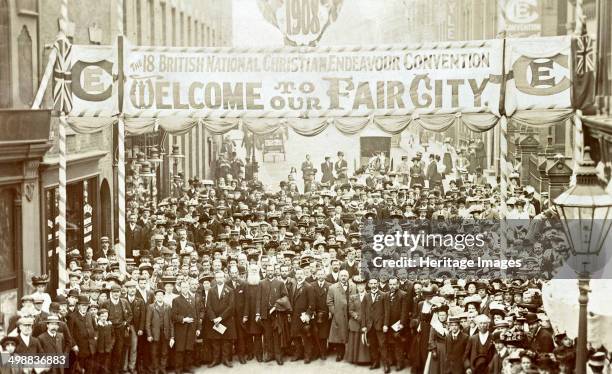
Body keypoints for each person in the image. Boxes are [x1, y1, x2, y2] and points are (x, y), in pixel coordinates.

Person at [260, 263, 290, 365]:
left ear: (274, 271)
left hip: (277, 313)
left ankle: (278, 355)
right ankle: (270, 354)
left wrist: (276, 305)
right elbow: (258, 299)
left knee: (277, 335)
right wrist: (257, 313)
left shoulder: (280, 283)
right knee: (267, 335)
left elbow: (285, 297)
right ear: (266, 271)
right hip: (265, 313)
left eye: (271, 270)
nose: (270, 272)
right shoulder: (261, 283)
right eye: (268, 270)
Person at [206, 270, 236, 368]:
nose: (219, 279)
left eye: (221, 277)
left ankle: (225, 359)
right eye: (217, 277)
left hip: (225, 319)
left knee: (226, 341)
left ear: (224, 278)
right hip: (215, 321)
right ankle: (216, 359)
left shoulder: (230, 290)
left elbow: (231, 306)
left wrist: (221, 317)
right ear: (215, 278)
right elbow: (208, 306)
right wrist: (214, 318)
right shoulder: (211, 290)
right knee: (215, 341)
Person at [100, 284, 132, 374]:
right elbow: (100, 314)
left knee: (119, 351)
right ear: (111, 293)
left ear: (120, 293)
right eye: (114, 292)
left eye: (117, 292)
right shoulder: (105, 303)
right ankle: (107, 371)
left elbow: (130, 314)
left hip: (120, 329)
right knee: (108, 350)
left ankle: (116, 371)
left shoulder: (124, 302)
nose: (116, 294)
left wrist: (126, 322)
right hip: (109, 330)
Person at [172, 279, 201, 374]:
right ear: (180, 288)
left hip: (192, 328)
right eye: (183, 287)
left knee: (189, 349)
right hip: (181, 328)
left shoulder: (193, 299)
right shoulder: (176, 300)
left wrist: (198, 328)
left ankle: (187, 367)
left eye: (186, 287)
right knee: (180, 349)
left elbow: (197, 315)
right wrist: (184, 319)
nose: (185, 289)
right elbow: (173, 315)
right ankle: (178, 369)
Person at [289, 268, 316, 364]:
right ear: (295, 276)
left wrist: (308, 315)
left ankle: (307, 355)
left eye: (301, 274)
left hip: (304, 317)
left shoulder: (308, 287)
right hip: (295, 316)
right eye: (298, 274)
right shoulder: (294, 286)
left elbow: (312, 304)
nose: (299, 276)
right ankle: (298, 353)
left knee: (306, 337)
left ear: (304, 275)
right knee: (296, 336)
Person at [361, 278, 388, 372]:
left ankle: (386, 364)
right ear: (368, 284)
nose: (373, 285)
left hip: (380, 325)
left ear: (378, 284)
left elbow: (387, 311)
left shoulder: (384, 295)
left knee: (382, 345)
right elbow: (363, 312)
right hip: (370, 326)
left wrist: (385, 324)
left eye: (375, 283)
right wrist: (364, 325)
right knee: (372, 345)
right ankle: (375, 363)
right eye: (371, 283)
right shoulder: (366, 296)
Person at [326, 269, 352, 362]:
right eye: (342, 275)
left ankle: (351, 354)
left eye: (345, 275)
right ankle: (340, 353)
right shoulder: (333, 287)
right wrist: (335, 313)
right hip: (339, 315)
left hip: (350, 314)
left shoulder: (353, 286)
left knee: (351, 334)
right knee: (339, 335)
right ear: (339, 277)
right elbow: (329, 302)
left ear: (348, 277)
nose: (343, 277)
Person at [146, 288, 174, 374]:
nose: (159, 297)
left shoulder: (168, 306)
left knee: (164, 352)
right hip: (155, 334)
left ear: (163, 296)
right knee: (155, 353)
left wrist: (172, 336)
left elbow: (171, 322)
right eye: (158, 295)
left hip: (165, 333)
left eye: (161, 295)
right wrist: (149, 335)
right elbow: (148, 323)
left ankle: (163, 368)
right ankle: (156, 369)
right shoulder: (151, 307)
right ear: (155, 297)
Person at [67, 295, 97, 374]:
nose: (84, 307)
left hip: (91, 348)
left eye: (86, 306)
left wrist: (95, 337)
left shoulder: (89, 315)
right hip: (80, 349)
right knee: (79, 369)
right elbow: (69, 334)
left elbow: (96, 328)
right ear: (78, 306)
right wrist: (74, 345)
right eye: (82, 305)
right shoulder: (72, 317)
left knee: (90, 368)